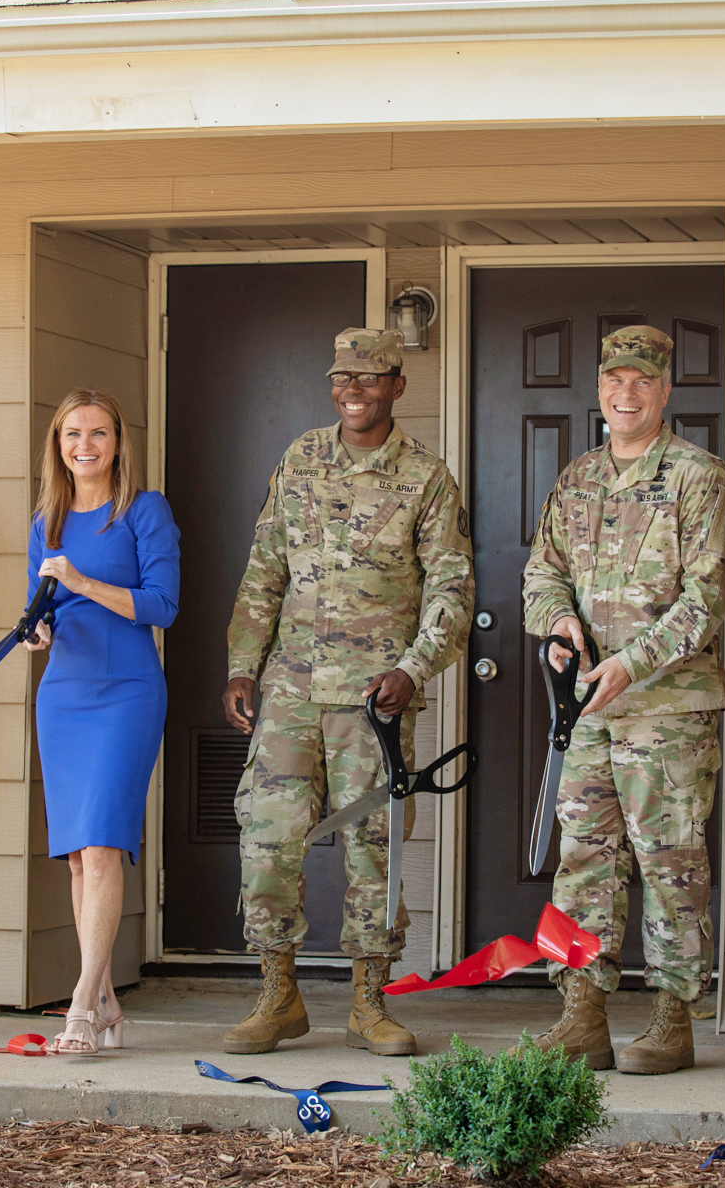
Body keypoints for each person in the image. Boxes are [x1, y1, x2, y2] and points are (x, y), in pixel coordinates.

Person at [221, 327, 473, 1058]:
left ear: (398, 385)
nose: (353, 391)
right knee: (267, 841)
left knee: (374, 848)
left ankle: (369, 1002)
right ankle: (278, 994)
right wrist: (243, 665)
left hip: (375, 700)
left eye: (370, 378)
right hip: (291, 693)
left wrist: (415, 670)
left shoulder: (426, 477)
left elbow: (451, 592)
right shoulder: (301, 459)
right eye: (342, 378)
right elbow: (264, 567)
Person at [519, 325, 725, 1075]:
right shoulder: (578, 479)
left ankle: (672, 1017)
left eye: (642, 381)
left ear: (665, 391)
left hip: (668, 712)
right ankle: (581, 1014)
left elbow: (708, 597)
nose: (627, 393)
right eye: (615, 379)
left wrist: (631, 662)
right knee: (584, 860)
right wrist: (556, 621)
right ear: (598, 388)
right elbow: (542, 571)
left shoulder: (697, 477)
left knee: (670, 861)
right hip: (588, 710)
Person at [22, 390, 180, 1055]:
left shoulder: (144, 511)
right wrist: (38, 627)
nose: (83, 446)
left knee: (105, 844)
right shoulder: (46, 522)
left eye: (97, 434)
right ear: (57, 445)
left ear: (118, 442)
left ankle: (82, 1003)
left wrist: (83, 583)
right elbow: (44, 608)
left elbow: (162, 605)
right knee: (78, 857)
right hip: (64, 694)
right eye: (70, 435)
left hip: (127, 692)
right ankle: (108, 1000)